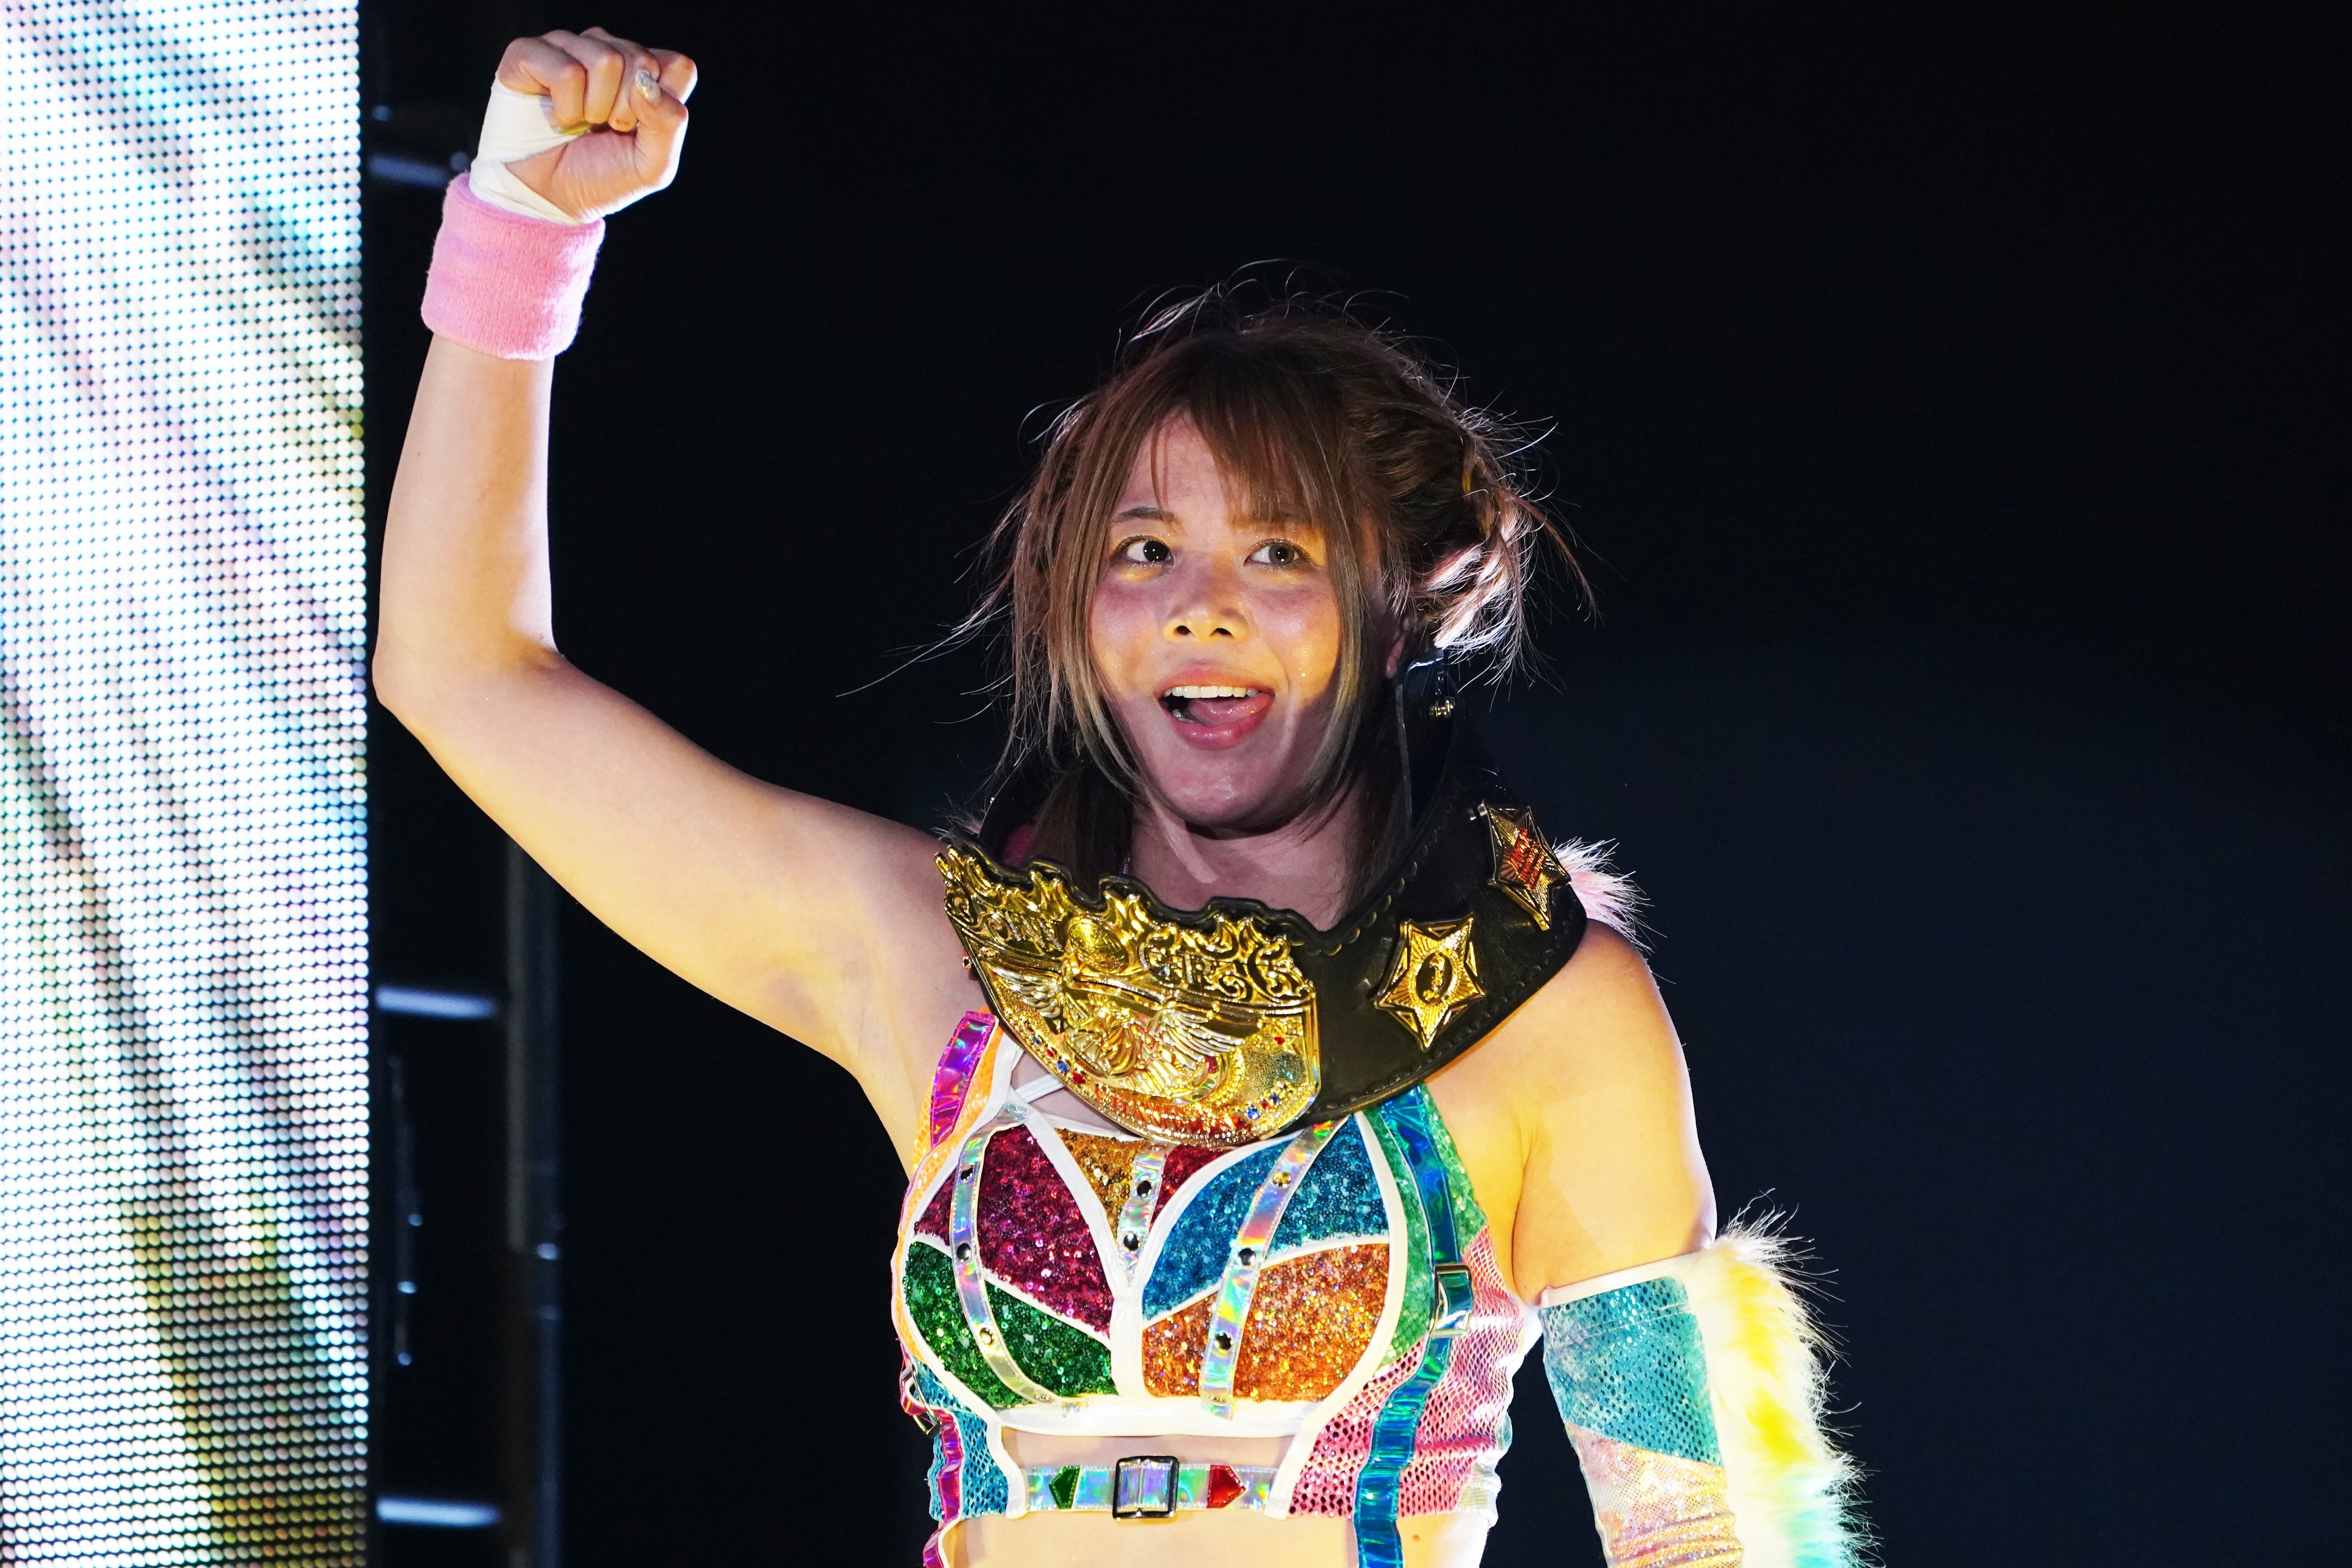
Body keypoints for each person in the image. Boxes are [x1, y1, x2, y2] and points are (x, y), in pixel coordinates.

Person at [377, 25, 1869, 1568]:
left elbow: (1710, 1540)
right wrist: (523, 221)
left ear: (1398, 612)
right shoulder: (933, 961)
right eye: (1146, 549)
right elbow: (462, 674)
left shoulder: (1548, 1016)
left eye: (1279, 553)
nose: (1198, 606)